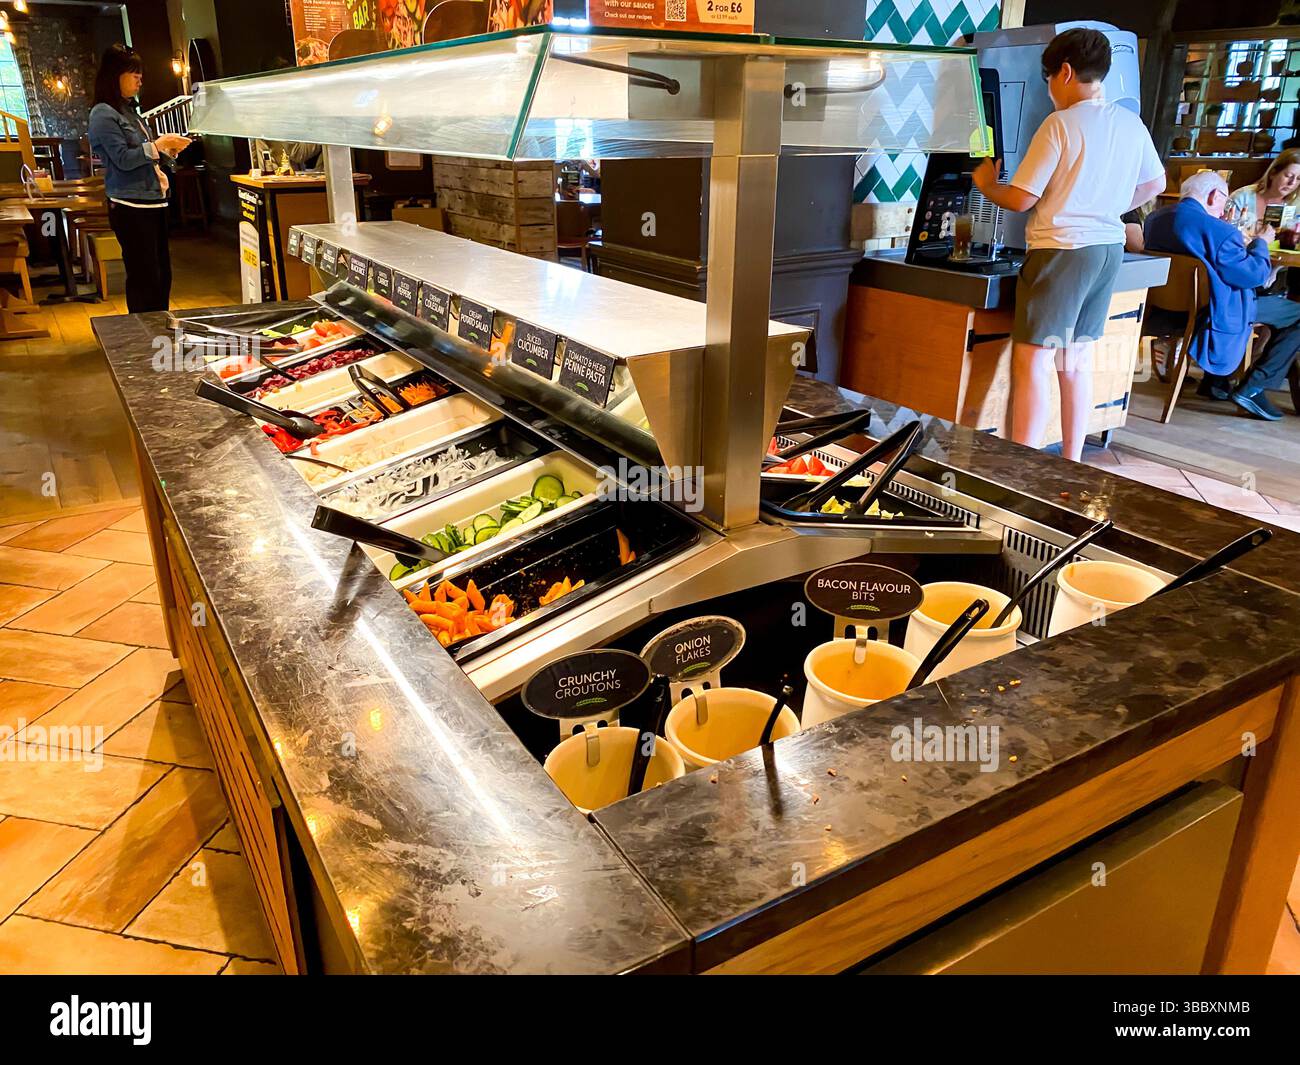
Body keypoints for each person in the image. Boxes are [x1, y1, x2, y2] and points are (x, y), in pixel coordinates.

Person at [972, 28, 1166, 461]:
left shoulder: (1059, 124)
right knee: (1074, 360)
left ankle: (1023, 464)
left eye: (1047, 79)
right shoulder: (1128, 122)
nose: (1049, 89)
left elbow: (1023, 197)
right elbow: (1156, 182)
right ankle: (1073, 462)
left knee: (1034, 360)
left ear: (1064, 72)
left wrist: (987, 184)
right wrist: (1109, 206)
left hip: (1061, 249)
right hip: (1107, 249)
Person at [1144, 170, 1300, 420]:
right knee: (1297, 314)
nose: (1223, 210)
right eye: (1224, 202)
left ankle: (1215, 383)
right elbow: (1254, 276)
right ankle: (1254, 387)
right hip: (1213, 313)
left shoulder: (1155, 219)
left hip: (1164, 311)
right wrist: (1261, 242)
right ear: (1214, 195)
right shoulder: (1219, 231)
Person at [87, 44, 190, 312]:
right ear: (115, 75)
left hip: (153, 201)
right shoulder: (102, 113)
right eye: (134, 74)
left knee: (161, 275)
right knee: (145, 277)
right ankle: (144, 338)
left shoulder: (130, 111)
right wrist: (157, 145)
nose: (140, 80)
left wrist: (168, 150)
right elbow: (122, 159)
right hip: (129, 205)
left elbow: (146, 155)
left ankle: (159, 331)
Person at [1225, 149, 1300, 231]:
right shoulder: (1242, 197)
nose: (1292, 182)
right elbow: (1226, 234)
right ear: (1273, 173)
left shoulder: (1297, 204)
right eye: (1288, 176)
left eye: (1298, 178)